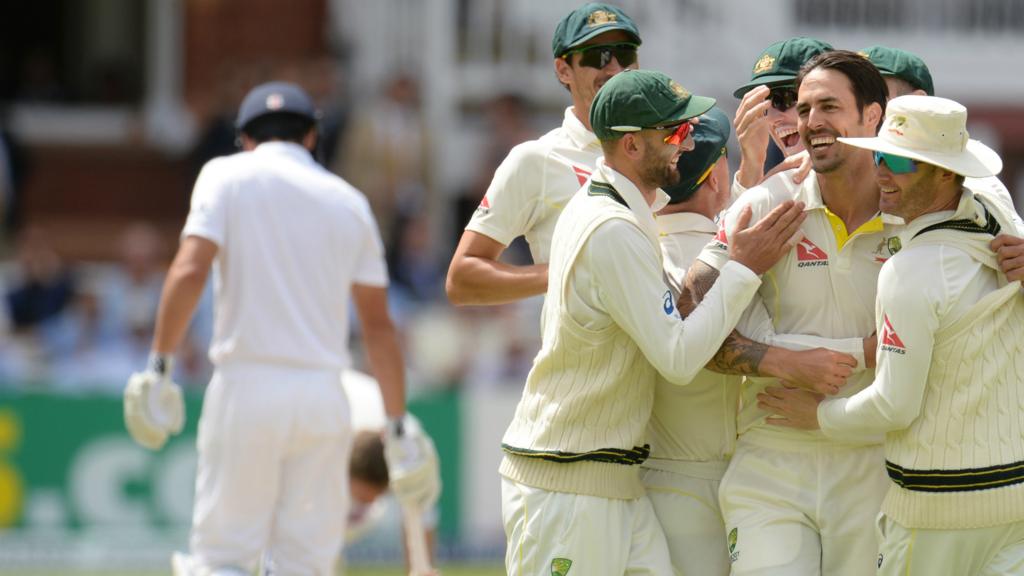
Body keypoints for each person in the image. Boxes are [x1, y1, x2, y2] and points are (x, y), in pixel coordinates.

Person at [121, 81, 438, 576]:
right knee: (303, 566)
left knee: (222, 559)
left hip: (247, 385)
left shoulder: (224, 176)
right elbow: (379, 327)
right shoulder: (348, 201)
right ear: (311, 137)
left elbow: (189, 270)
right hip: (321, 398)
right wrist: (396, 426)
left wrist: (158, 365)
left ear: (246, 138)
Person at [500, 68, 807, 576]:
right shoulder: (612, 228)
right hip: (567, 479)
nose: (685, 146)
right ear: (631, 146)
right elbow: (679, 358)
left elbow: (705, 217)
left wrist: (751, 187)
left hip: (614, 479)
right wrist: (745, 268)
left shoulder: (625, 208)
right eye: (674, 133)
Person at [758, 95, 1024, 576]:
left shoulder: (908, 271)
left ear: (945, 172)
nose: (881, 171)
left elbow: (892, 407)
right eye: (879, 154)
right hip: (1014, 507)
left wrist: (820, 415)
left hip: (934, 512)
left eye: (899, 160)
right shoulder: (1001, 222)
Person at [684, 50, 898, 576]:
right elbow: (692, 315)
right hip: (772, 454)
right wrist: (782, 362)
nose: (810, 122)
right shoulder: (767, 203)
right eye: (804, 109)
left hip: (872, 457)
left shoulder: (911, 211)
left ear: (873, 114)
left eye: (829, 107)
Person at [642, 106, 858, 575]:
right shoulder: (735, 247)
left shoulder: (644, 245)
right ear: (716, 178)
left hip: (666, 476)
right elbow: (706, 337)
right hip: (713, 476)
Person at [446, 2, 643, 306]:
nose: (615, 68)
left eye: (626, 54)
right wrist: (566, 273)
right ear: (564, 70)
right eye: (598, 55)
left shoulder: (664, 147)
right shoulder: (536, 160)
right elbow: (462, 279)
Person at [858, 44, 1024, 284]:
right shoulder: (816, 176)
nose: (863, 110)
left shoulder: (974, 181)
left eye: (872, 96)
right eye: (853, 97)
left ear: (916, 101)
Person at [731, 37, 833, 195]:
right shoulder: (772, 189)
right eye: (762, 103)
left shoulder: (878, 175)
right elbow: (736, 219)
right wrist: (751, 166)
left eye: (784, 98)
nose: (771, 118)